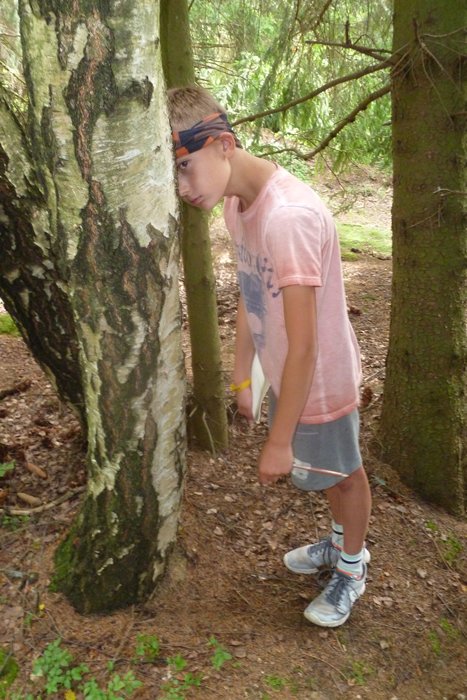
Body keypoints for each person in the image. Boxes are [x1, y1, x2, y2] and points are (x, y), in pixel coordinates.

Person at [167, 85, 372, 628]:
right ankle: (339, 544)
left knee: (343, 474)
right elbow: (252, 292)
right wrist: (243, 375)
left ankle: (352, 568)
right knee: (328, 472)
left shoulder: (289, 218)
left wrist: (279, 442)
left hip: (319, 378)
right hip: (289, 374)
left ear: (223, 144)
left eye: (185, 167)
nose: (182, 188)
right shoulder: (238, 206)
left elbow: (305, 345)